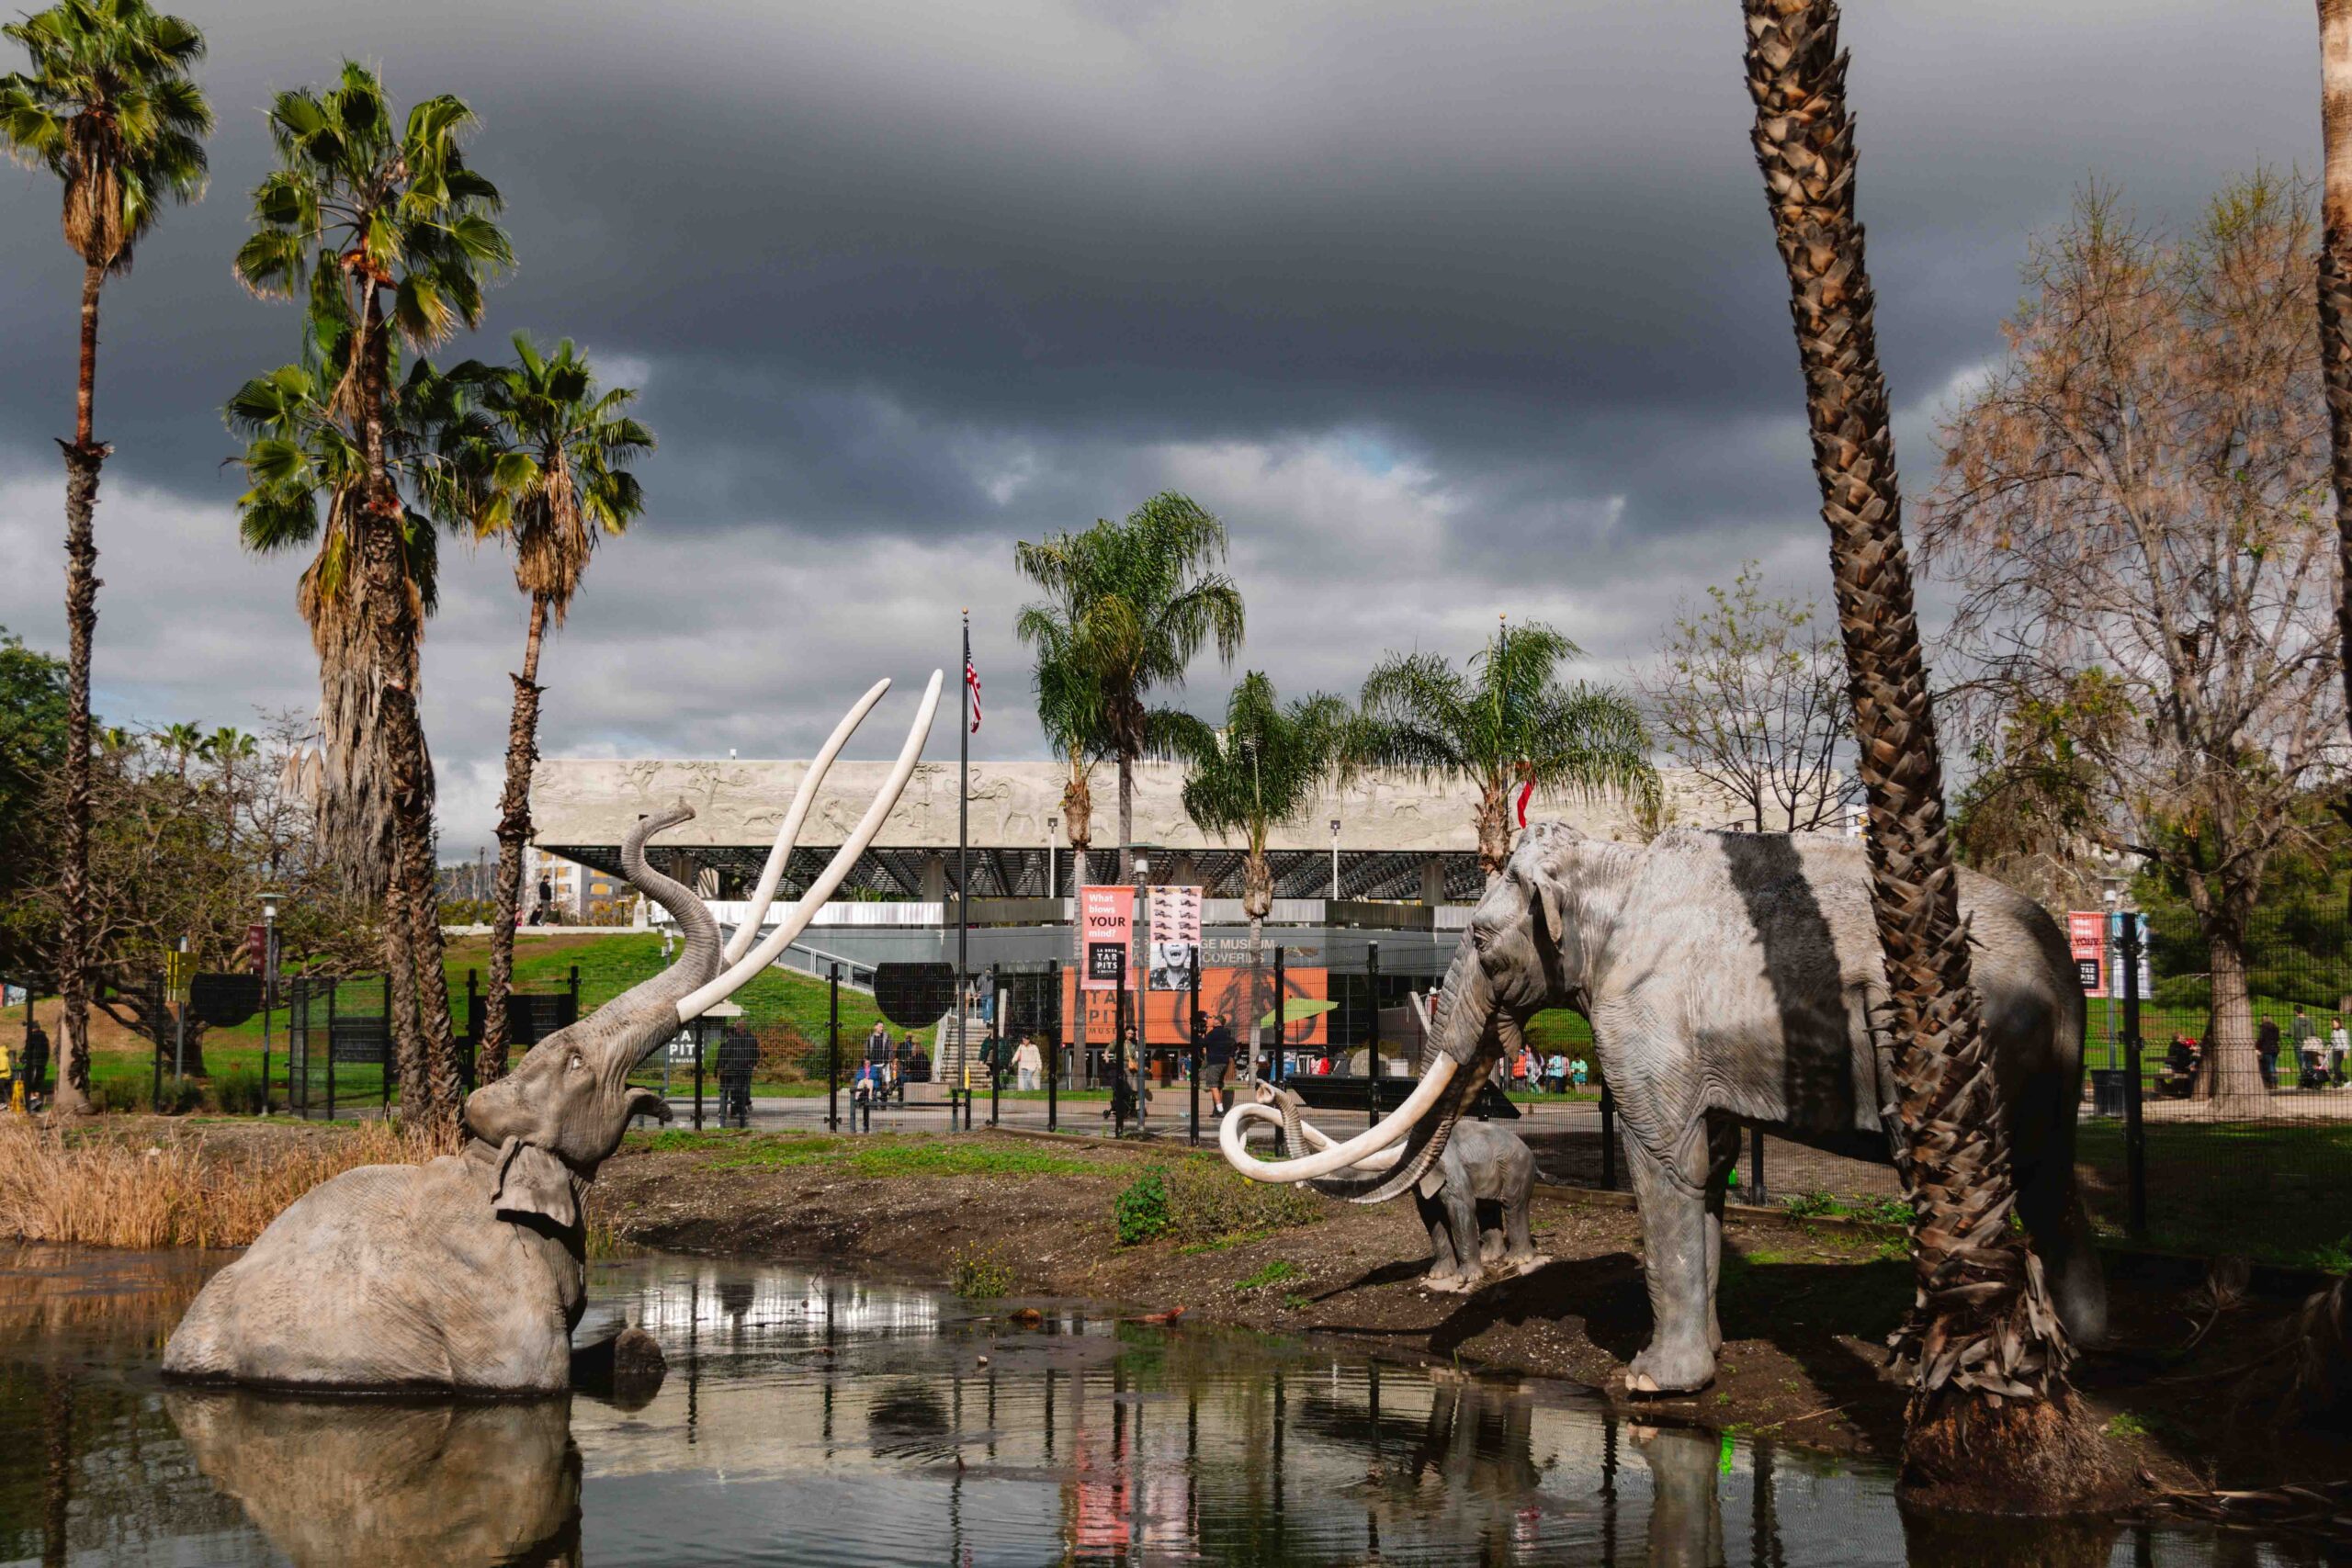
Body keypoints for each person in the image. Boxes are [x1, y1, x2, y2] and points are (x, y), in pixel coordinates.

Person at [715, 1023, 758, 1129]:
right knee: (739, 1091)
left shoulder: (726, 1044)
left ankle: (723, 1112)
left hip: (727, 1073)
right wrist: (751, 1066)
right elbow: (750, 1056)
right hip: (739, 1073)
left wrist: (718, 1070)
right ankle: (739, 1111)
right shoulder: (742, 1044)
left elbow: (721, 1057)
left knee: (724, 1092)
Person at [1202, 1010, 1236, 1115]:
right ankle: (1216, 1110)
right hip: (1224, 1062)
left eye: (1214, 1020)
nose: (1212, 1021)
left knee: (1213, 1086)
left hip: (1214, 1062)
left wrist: (1200, 1035)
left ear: (1217, 1022)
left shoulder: (1213, 1034)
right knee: (1218, 1086)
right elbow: (1233, 1046)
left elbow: (1202, 1043)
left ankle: (1220, 1111)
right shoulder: (1227, 1034)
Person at [18, 1020, 47, 1110]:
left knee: (28, 1083)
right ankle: (37, 1105)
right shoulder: (44, 1037)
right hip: (42, 1064)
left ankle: (32, 1103)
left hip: (33, 1064)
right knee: (37, 1085)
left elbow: (28, 1050)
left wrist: (23, 1058)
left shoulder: (33, 1037)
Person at [2256, 1016, 2280, 1089]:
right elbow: (2277, 1039)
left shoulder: (2264, 1028)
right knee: (2272, 1065)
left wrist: (2257, 1046)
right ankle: (2275, 1082)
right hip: (2275, 1048)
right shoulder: (2275, 1027)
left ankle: (2272, 1082)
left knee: (2269, 1066)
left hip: (2267, 1049)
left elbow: (2261, 1038)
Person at [2331, 1017, 2349, 1087]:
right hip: (2335, 1051)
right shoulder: (2333, 1031)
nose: (2334, 1024)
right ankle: (2338, 1081)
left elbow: (2345, 1042)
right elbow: (2332, 1041)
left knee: (2336, 1068)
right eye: (2333, 1023)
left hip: (2341, 1051)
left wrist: (2345, 1052)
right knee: (2336, 1068)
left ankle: (2346, 1081)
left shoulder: (2342, 1031)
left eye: (2335, 1023)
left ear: (2339, 1023)